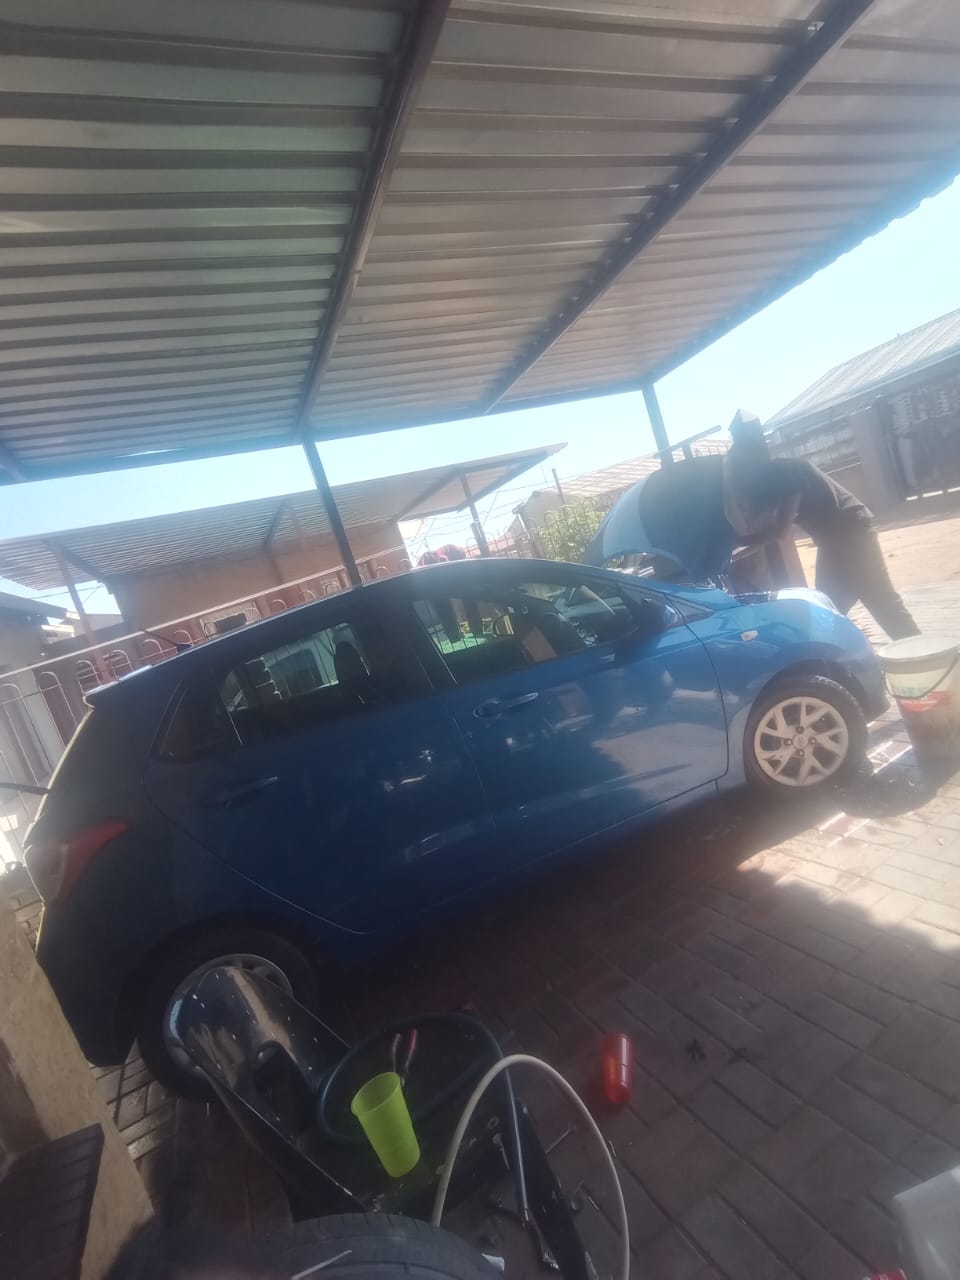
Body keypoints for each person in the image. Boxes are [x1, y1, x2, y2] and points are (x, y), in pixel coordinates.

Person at [725, 420, 919, 640]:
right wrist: (735, 553)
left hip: (850, 533)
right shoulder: (775, 479)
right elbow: (769, 532)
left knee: (833, 608)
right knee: (857, 603)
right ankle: (919, 655)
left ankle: (921, 657)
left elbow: (779, 531)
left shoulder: (784, 473)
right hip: (839, 538)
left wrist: (739, 542)